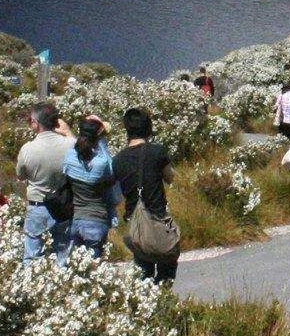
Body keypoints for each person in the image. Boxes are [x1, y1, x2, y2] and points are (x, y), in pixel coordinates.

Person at [113, 106, 178, 286]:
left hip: (135, 223)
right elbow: (170, 178)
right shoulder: (157, 152)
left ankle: (147, 303)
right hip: (158, 216)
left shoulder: (118, 160)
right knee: (167, 264)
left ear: (127, 129)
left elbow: (116, 193)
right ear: (148, 127)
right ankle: (162, 300)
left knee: (143, 271)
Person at [15, 101, 75, 262]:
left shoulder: (27, 149)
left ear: (35, 123)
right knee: (62, 253)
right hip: (63, 204)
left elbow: (20, 176)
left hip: (37, 206)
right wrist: (68, 132)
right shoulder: (70, 144)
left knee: (32, 255)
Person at [62, 112, 122, 260]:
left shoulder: (70, 157)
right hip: (96, 220)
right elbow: (111, 182)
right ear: (98, 139)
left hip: (76, 219)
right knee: (95, 268)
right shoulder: (101, 163)